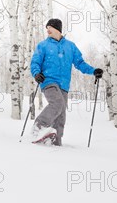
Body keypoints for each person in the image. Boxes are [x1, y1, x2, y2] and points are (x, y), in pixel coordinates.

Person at [29, 18, 103, 146]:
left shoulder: (70, 46)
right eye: (46, 29)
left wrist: (93, 71)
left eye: (49, 28)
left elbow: (80, 63)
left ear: (57, 29)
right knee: (57, 103)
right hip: (48, 81)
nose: (47, 31)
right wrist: (36, 73)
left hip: (63, 85)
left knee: (61, 113)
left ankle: (56, 141)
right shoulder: (43, 45)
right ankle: (38, 127)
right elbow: (35, 61)